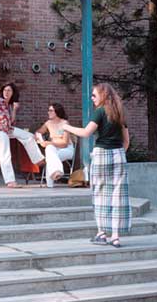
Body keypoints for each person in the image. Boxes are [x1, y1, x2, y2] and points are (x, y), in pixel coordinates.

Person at [63, 83, 131, 248]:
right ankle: (115, 237)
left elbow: (86, 133)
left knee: (101, 195)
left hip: (102, 154)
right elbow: (126, 141)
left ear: (103, 94)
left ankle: (102, 233)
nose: (92, 98)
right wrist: (119, 152)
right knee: (118, 196)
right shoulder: (120, 112)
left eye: (94, 95)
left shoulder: (100, 111)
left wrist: (66, 127)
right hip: (119, 156)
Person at [0, 82, 44, 188]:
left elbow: (12, 121)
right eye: (5, 90)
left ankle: (38, 159)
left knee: (29, 136)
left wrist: (15, 110)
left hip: (8, 129)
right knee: (5, 154)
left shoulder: (9, 105)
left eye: (9, 91)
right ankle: (10, 181)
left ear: (13, 93)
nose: (6, 92)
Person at [35, 103, 74, 187]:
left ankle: (50, 184)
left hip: (67, 149)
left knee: (50, 156)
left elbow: (64, 143)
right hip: (54, 149)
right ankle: (56, 172)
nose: (48, 112)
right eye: (48, 110)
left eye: (51, 110)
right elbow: (39, 132)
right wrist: (40, 139)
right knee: (49, 150)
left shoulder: (65, 123)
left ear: (57, 112)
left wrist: (49, 143)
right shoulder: (48, 123)